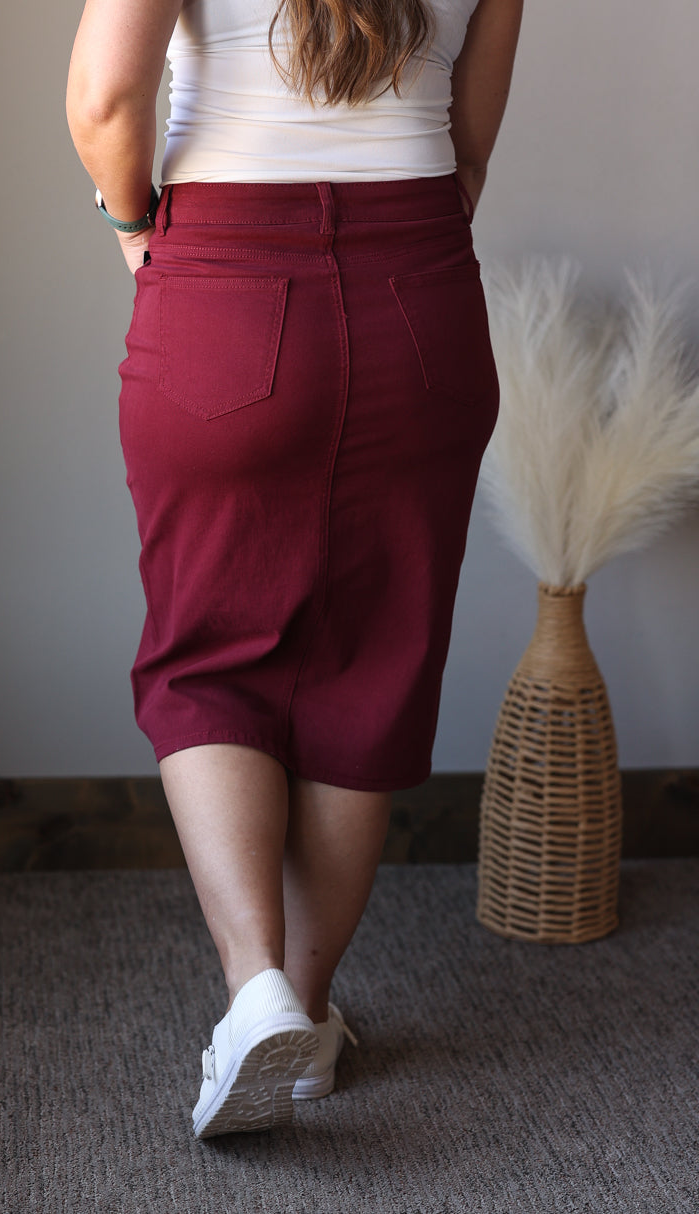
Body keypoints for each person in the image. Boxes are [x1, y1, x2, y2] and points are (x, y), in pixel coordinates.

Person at [67, 0, 523, 1139]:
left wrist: (135, 226)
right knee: (369, 662)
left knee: (209, 651)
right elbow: (468, 143)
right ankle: (307, 1021)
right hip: (418, 288)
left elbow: (106, 98)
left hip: (226, 276)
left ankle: (255, 983)